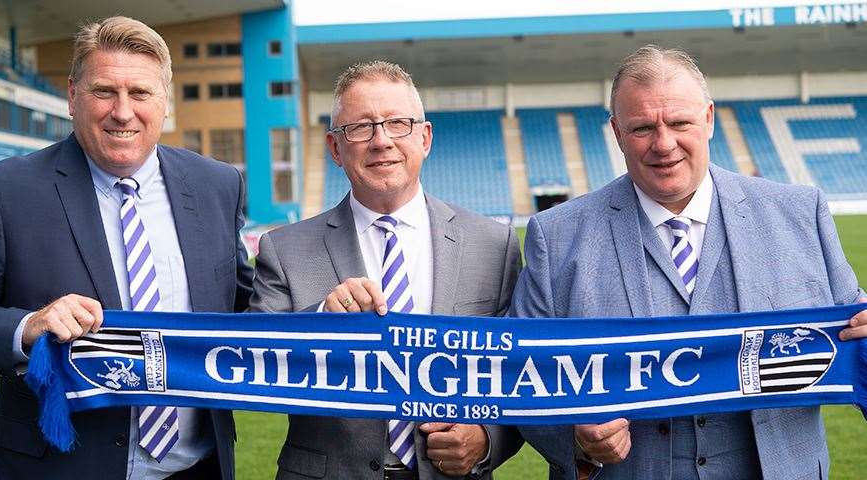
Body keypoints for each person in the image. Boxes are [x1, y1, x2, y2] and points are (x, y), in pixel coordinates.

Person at [510, 45, 867, 480]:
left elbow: (856, 341)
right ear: (617, 132)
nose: (664, 144)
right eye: (642, 128)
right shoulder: (557, 236)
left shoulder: (799, 214)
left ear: (710, 118)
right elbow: (522, 379)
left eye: (679, 122)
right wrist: (577, 440)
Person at [0, 16, 253, 480]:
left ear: (165, 101)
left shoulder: (218, 185)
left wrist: (324, 317)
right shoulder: (7, 190)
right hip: (57, 469)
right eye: (104, 91)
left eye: (141, 93)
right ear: (73, 97)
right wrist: (29, 326)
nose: (123, 111)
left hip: (198, 467)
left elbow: (246, 311)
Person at [249, 60, 523, 480]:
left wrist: (486, 439)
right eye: (360, 127)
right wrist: (321, 322)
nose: (382, 141)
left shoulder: (494, 245)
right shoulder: (284, 249)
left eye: (398, 123)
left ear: (425, 137)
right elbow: (251, 364)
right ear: (335, 149)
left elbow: (521, 372)